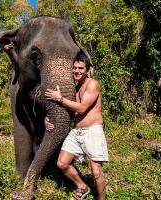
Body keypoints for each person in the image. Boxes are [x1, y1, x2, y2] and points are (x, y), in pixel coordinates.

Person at [45, 54, 109, 200]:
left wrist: (60, 98)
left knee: (96, 172)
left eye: (80, 68)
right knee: (62, 163)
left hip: (92, 130)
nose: (77, 71)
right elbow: (69, 109)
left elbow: (81, 109)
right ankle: (82, 186)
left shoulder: (92, 84)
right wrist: (47, 118)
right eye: (74, 68)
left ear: (87, 70)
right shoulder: (76, 87)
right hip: (77, 131)